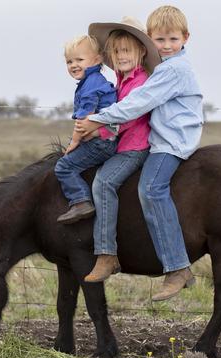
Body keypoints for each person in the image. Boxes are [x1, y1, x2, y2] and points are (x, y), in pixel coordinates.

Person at [76, 6, 203, 301]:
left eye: (173, 39)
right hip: (163, 137)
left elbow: (139, 102)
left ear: (185, 38)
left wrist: (98, 118)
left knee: (152, 188)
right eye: (160, 40)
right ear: (150, 40)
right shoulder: (160, 69)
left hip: (171, 142)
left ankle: (177, 267)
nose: (167, 46)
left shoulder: (174, 70)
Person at [80, 17, 161, 283]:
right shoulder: (120, 80)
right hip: (120, 147)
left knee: (103, 183)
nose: (120, 56)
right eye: (116, 51)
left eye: (126, 50)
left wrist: (96, 130)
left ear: (141, 52)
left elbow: (127, 119)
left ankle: (106, 254)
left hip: (134, 147)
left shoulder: (140, 82)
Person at [54, 35, 117, 224]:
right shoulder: (94, 80)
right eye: (69, 61)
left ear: (97, 60)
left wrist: (73, 143)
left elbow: (84, 119)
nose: (73, 65)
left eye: (79, 60)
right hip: (105, 138)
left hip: (101, 142)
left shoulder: (90, 86)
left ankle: (80, 201)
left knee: (64, 166)